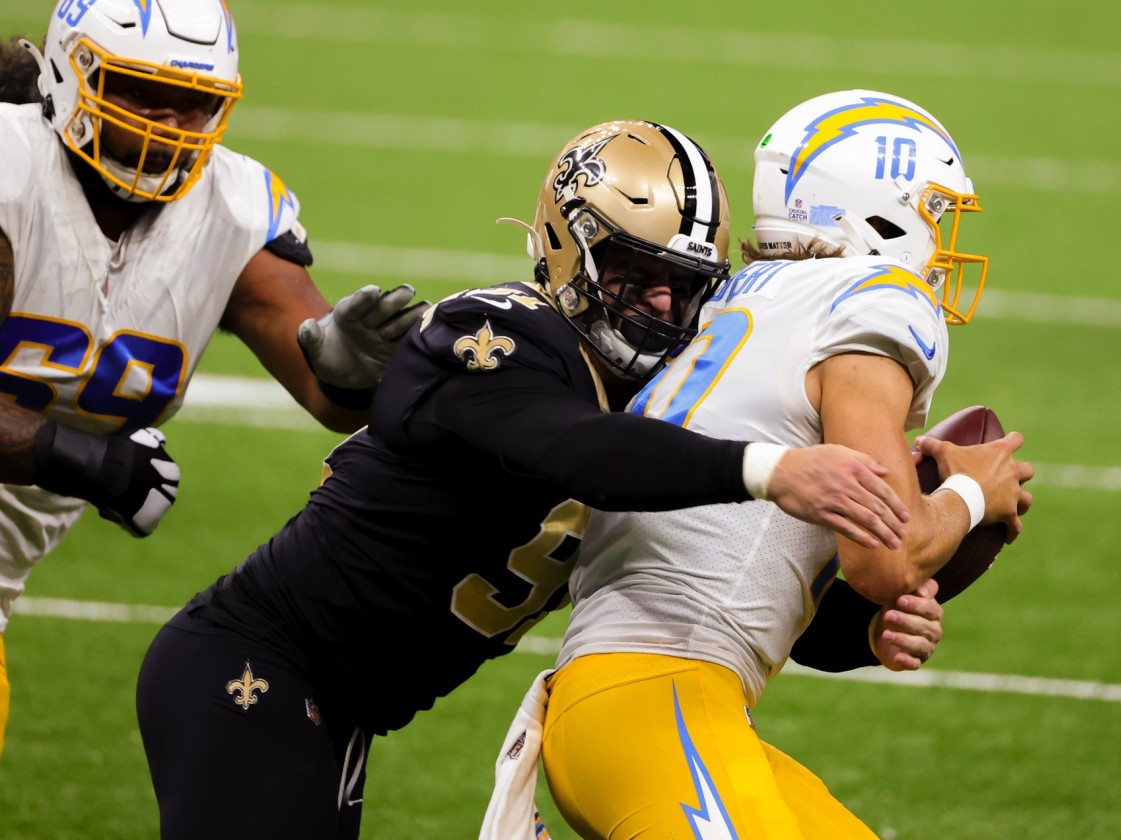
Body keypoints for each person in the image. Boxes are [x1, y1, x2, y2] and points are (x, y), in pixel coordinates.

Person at [135, 117, 920, 840]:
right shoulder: (499, 331)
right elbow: (578, 451)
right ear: (567, 244)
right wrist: (770, 465)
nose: (657, 305)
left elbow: (711, 576)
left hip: (344, 703)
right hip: (258, 662)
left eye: (680, 287)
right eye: (633, 274)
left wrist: (869, 626)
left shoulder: (653, 404)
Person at [504, 90, 1036, 840]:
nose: (940, 242)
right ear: (879, 211)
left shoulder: (731, 302)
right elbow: (884, 558)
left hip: (643, 707)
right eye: (933, 212)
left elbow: (751, 540)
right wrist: (970, 496)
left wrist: (868, 626)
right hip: (655, 699)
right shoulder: (873, 295)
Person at [0, 2, 426, 758]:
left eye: (195, 103)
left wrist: (354, 375)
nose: (168, 124)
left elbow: (326, 384)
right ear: (73, 74)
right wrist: (85, 459)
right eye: (138, 92)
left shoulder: (230, 209)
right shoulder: (11, 170)